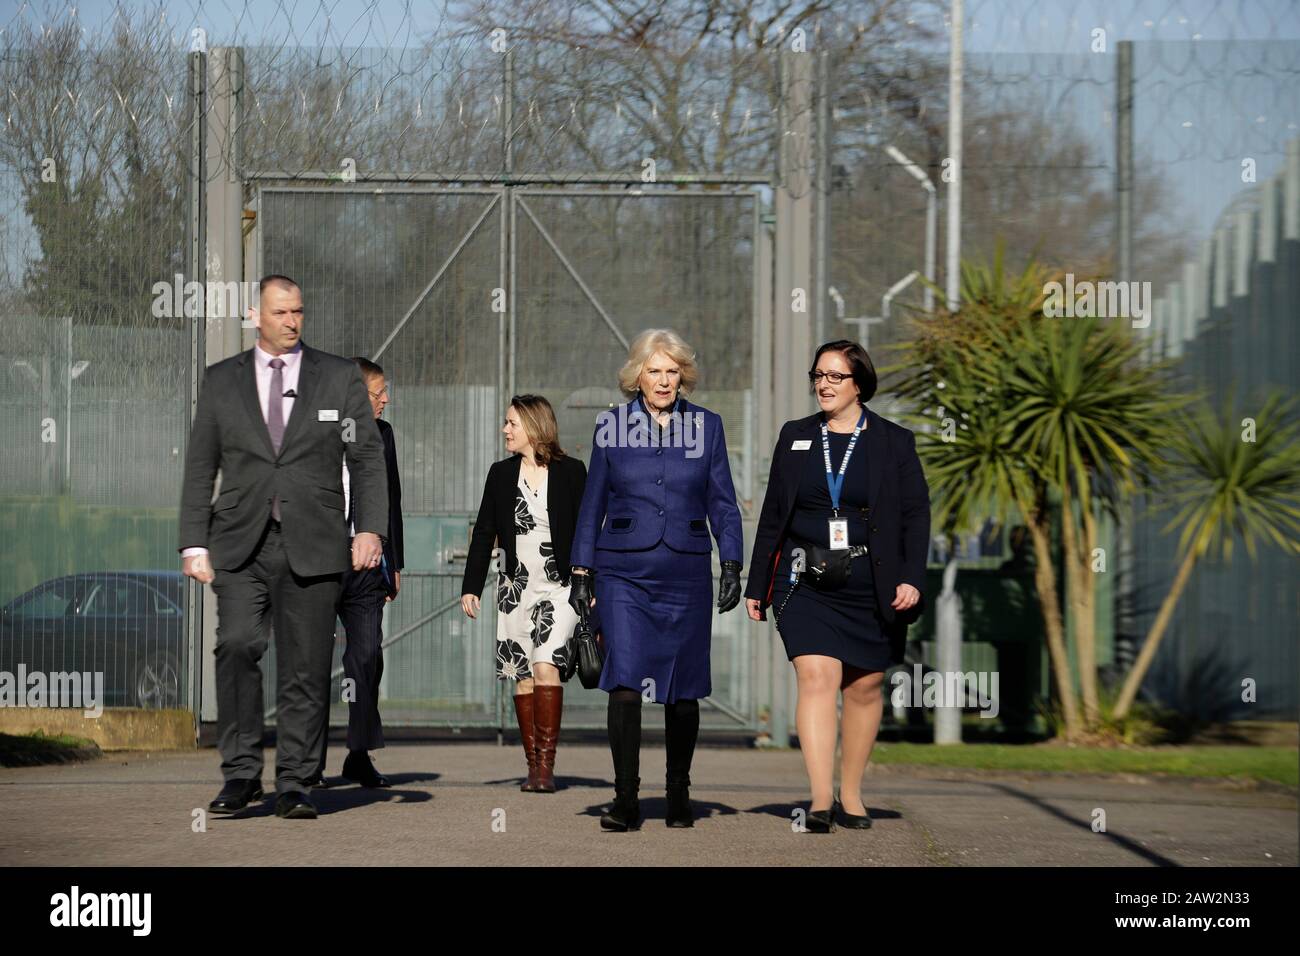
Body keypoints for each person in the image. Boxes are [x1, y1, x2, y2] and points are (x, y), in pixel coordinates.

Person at [179, 275, 388, 820]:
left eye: (298, 311)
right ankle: (242, 773)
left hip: (317, 541)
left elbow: (365, 457)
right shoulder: (221, 381)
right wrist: (192, 541)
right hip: (241, 539)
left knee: (307, 666)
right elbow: (203, 465)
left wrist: (369, 529)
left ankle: (295, 781)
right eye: (280, 312)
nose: (292, 321)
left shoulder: (338, 378)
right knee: (239, 645)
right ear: (256, 315)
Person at [745, 340, 930, 832]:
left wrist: (912, 577)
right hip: (804, 579)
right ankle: (821, 798)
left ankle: (852, 794)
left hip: (871, 580)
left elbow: (915, 516)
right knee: (817, 677)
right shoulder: (797, 436)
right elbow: (773, 514)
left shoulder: (894, 441)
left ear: (859, 384)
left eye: (835, 377)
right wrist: (756, 584)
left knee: (866, 686)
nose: (823, 385)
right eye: (818, 375)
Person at [570, 329, 744, 831]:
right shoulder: (611, 426)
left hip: (686, 571)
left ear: (682, 376)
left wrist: (730, 560)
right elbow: (592, 504)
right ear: (637, 376)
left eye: (672, 371)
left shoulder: (708, 427)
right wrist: (582, 572)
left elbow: (722, 501)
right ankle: (625, 799)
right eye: (654, 370)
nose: (664, 380)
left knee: (683, 689)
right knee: (624, 681)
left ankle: (678, 793)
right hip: (622, 571)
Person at [461, 395, 587, 793]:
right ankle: (533, 766)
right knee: (522, 677)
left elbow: (587, 533)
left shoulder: (572, 472)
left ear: (533, 426)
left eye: (512, 423)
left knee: (546, 664)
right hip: (515, 588)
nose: (505, 430)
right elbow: (484, 533)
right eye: (505, 422)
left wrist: (591, 584)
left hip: (560, 587)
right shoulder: (500, 474)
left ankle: (546, 767)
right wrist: (471, 586)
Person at [310, 357, 404, 789]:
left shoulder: (383, 435)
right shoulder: (315, 428)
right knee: (310, 662)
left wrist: (395, 563)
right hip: (320, 562)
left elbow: (392, 501)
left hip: (368, 566)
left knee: (366, 658)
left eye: (385, 393)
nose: (385, 400)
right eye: (377, 393)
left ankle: (359, 753)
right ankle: (306, 762)